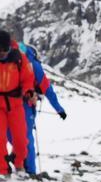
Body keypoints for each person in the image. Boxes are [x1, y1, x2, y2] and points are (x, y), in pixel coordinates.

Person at [0, 31, 35, 178]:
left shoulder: (19, 58)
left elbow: (28, 78)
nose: (1, 53)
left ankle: (18, 162)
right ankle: (3, 170)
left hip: (15, 104)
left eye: (5, 50)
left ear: (10, 47)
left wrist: (29, 92)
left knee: (21, 140)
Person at [16, 42, 66, 174]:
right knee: (26, 136)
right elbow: (47, 88)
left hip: (9, 103)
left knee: (14, 134)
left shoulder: (11, 58)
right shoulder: (34, 64)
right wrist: (59, 109)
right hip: (27, 104)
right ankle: (30, 169)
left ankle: (19, 160)